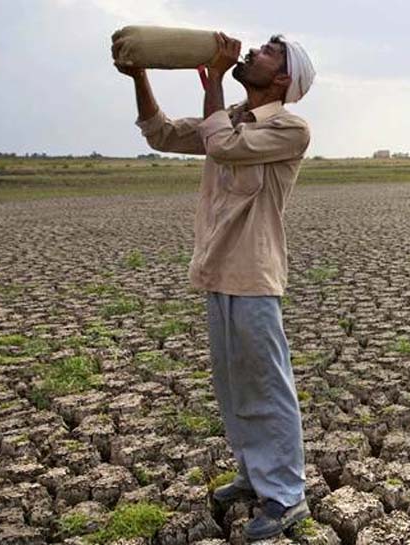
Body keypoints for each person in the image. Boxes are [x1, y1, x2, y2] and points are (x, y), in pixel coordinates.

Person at [114, 31, 316, 541]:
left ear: (284, 77)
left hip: (253, 273)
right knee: (234, 386)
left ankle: (287, 497)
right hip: (217, 270)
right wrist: (141, 75)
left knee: (268, 386)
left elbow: (222, 147)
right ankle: (254, 476)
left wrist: (217, 81)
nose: (251, 53)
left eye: (266, 52)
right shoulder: (230, 119)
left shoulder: (290, 128)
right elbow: (160, 133)